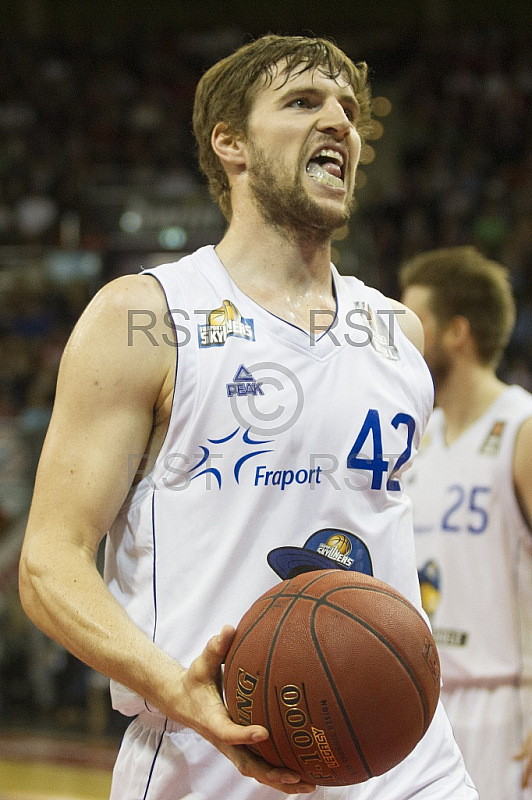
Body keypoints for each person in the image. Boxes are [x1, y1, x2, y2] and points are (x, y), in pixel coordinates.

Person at [19, 35, 476, 800]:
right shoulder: (146, 317)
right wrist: (176, 690)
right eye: (303, 102)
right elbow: (48, 563)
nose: (339, 122)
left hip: (406, 762)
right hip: (209, 756)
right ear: (229, 143)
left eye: (349, 110)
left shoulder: (399, 332)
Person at [400, 245, 532, 800]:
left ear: (457, 332)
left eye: (415, 321)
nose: (401, 335)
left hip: (507, 704)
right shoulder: (415, 441)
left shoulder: (520, 429)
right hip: (424, 708)